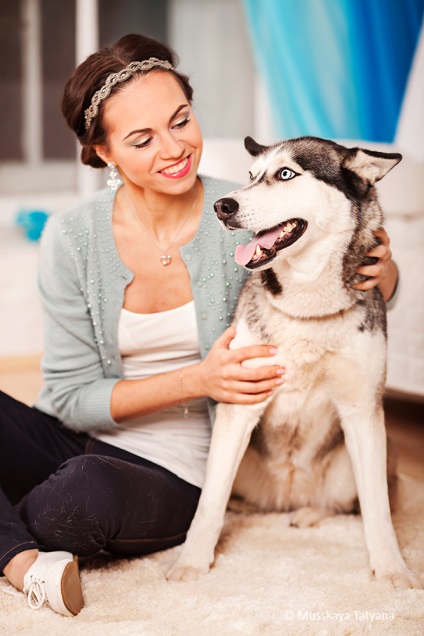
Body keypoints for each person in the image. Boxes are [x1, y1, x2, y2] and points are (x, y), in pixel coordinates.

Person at [0, 33, 399, 617]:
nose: (174, 147)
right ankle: (20, 561)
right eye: (142, 139)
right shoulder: (70, 236)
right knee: (60, 476)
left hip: (177, 469)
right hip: (79, 436)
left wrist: (382, 270)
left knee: (72, 502)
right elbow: (65, 396)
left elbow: (340, 273)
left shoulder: (251, 213)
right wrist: (198, 380)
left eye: (180, 120)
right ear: (105, 153)